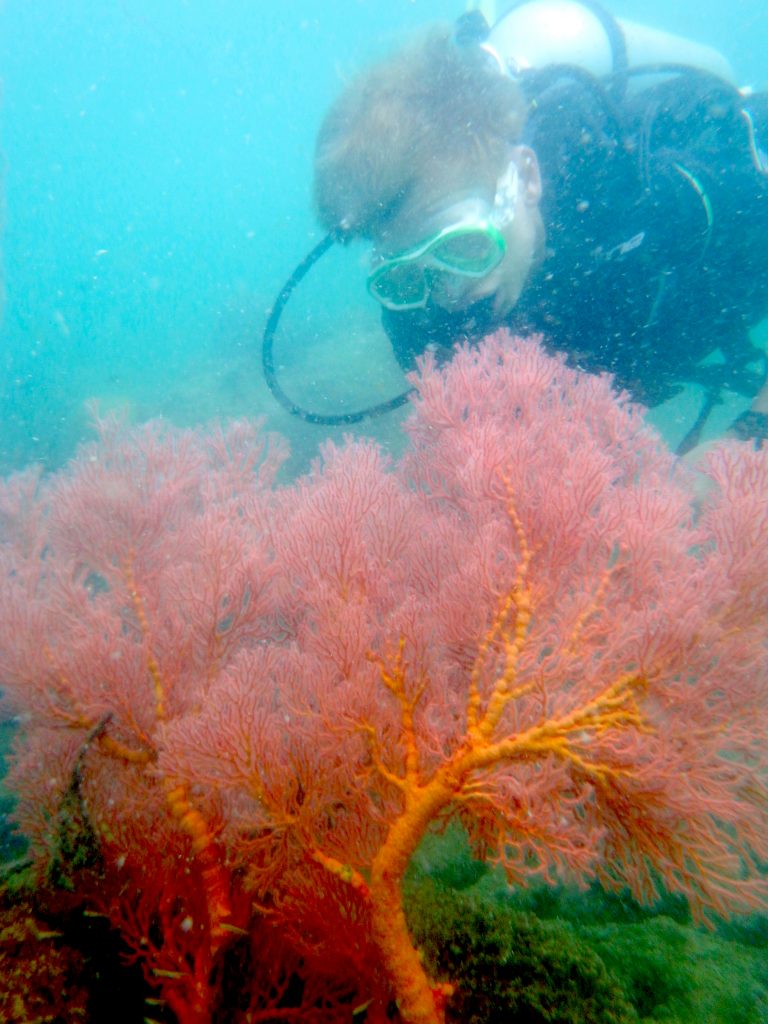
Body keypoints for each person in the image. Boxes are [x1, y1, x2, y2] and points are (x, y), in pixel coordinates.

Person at [312, 0, 768, 450]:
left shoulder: (632, 191)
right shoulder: (418, 318)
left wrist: (754, 433)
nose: (448, 294)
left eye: (463, 246)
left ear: (527, 179)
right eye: (408, 274)